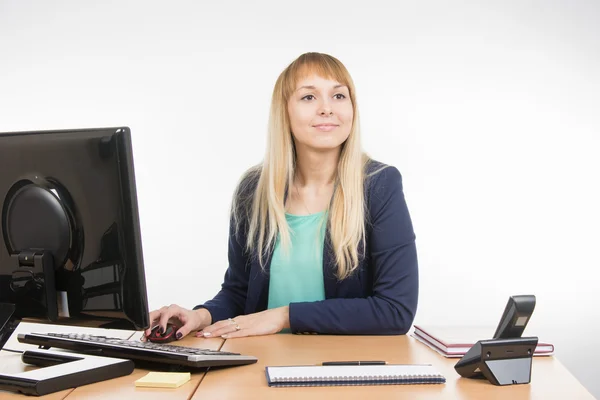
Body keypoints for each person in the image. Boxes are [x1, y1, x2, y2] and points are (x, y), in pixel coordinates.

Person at [144, 52, 418, 341]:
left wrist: (284, 315)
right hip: (261, 363)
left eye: (339, 96)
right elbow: (240, 293)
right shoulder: (253, 190)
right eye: (309, 97)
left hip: (343, 366)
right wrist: (200, 315)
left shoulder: (379, 185)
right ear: (284, 111)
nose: (326, 108)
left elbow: (395, 311)